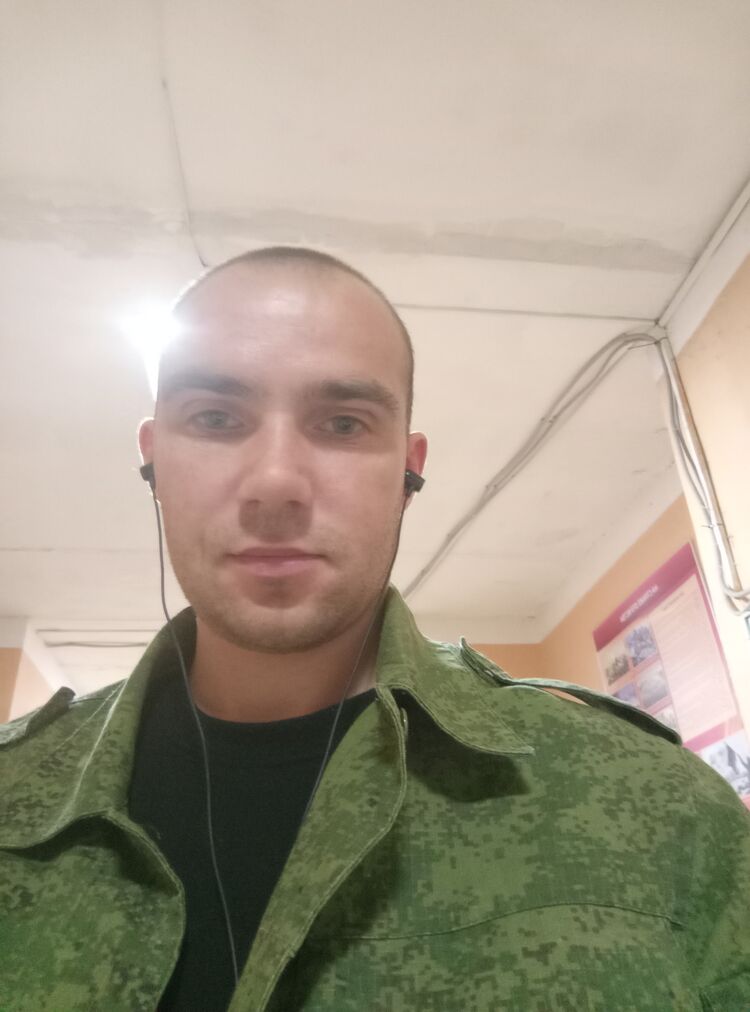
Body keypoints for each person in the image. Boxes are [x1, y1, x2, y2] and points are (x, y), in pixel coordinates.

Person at [1, 247, 748, 1012]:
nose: (275, 483)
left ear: (407, 474)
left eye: (342, 423)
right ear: (154, 460)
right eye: (216, 419)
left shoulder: (660, 807)